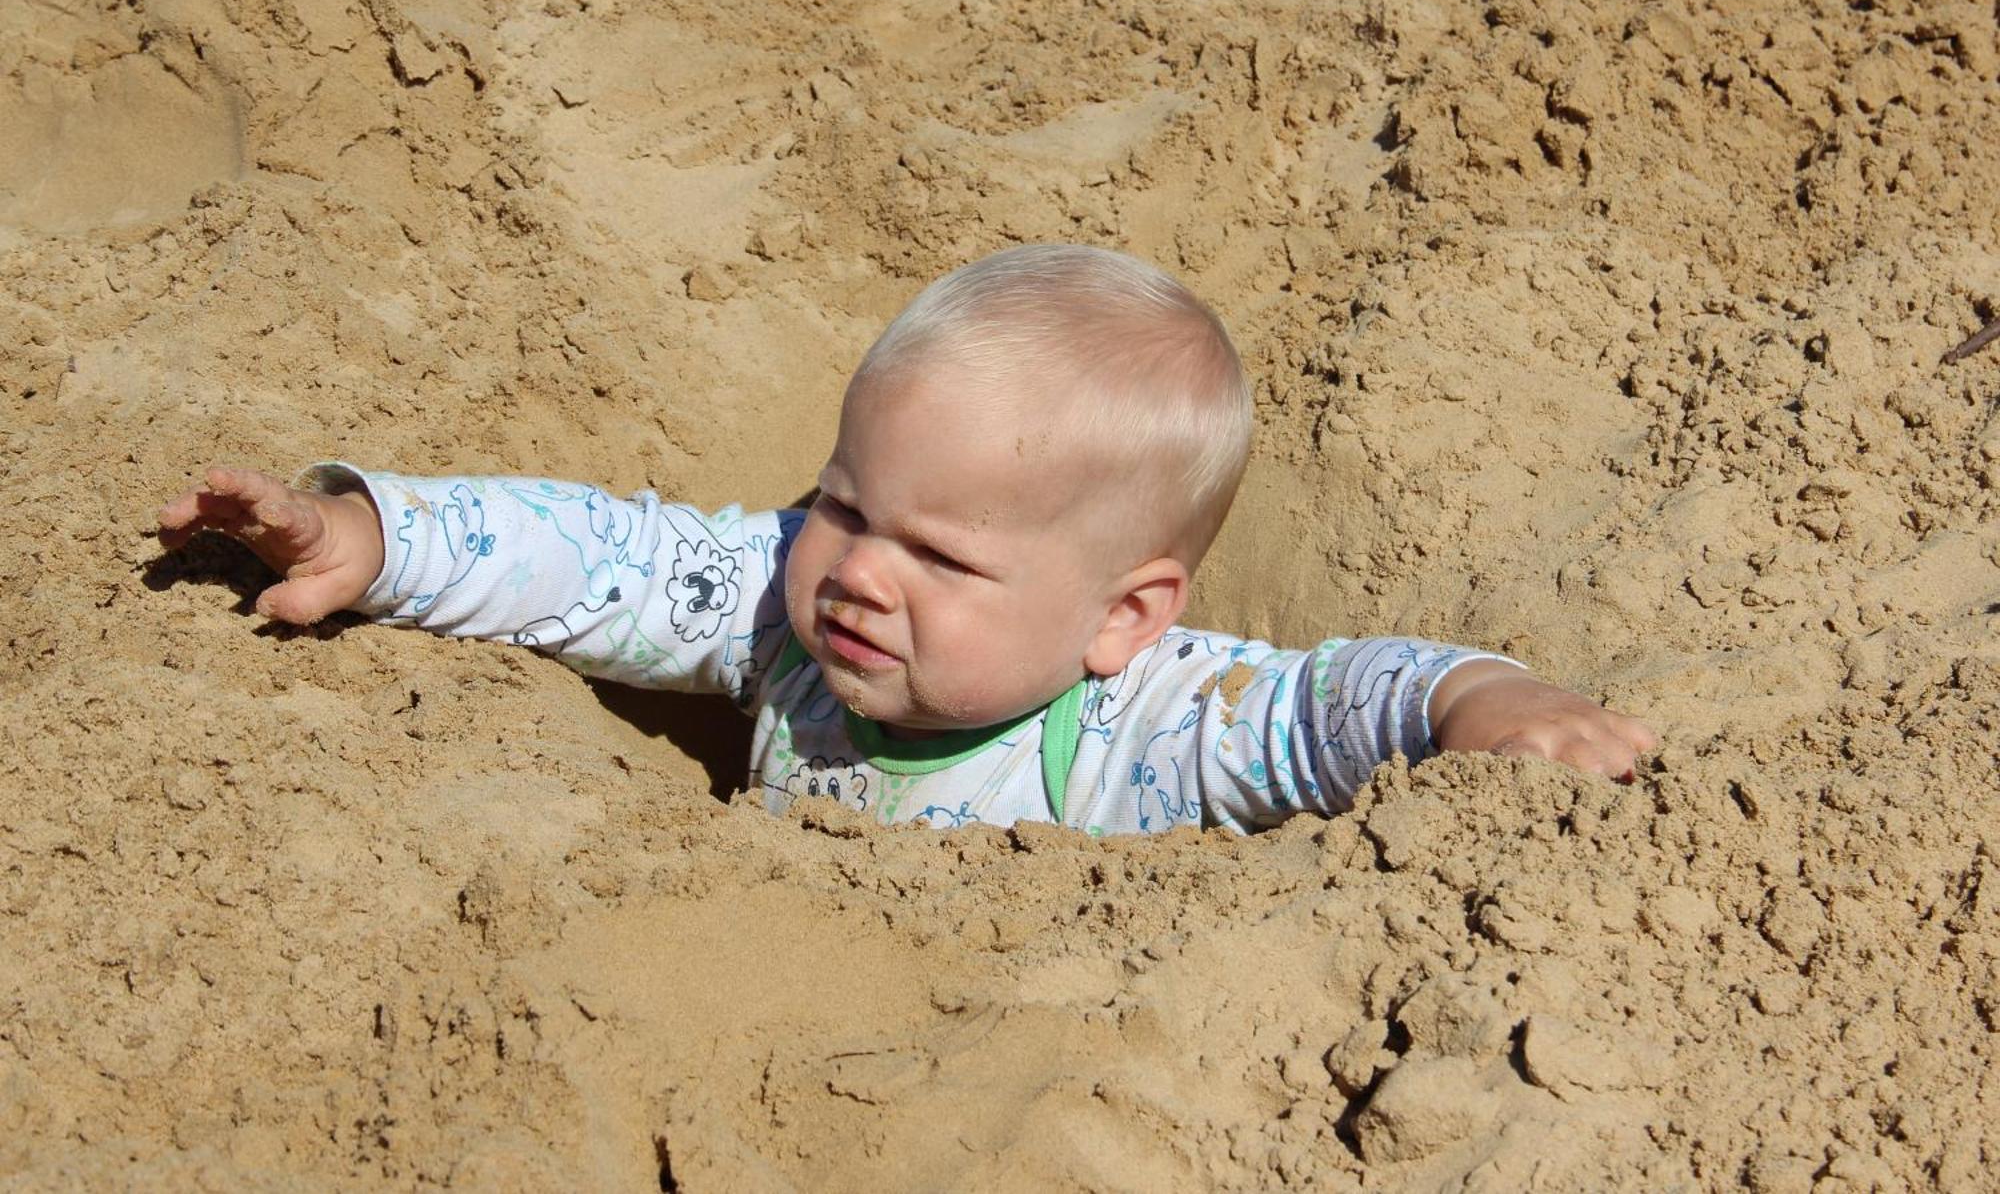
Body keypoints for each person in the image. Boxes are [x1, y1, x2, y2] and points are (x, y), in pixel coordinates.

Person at [156, 244, 1655, 834]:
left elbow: (1338, 708)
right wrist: (382, 533)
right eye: (849, 504)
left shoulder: (1145, 721)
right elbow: (596, 557)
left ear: (1119, 615)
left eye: (940, 556)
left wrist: (1480, 698)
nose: (862, 568)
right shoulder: (789, 611)